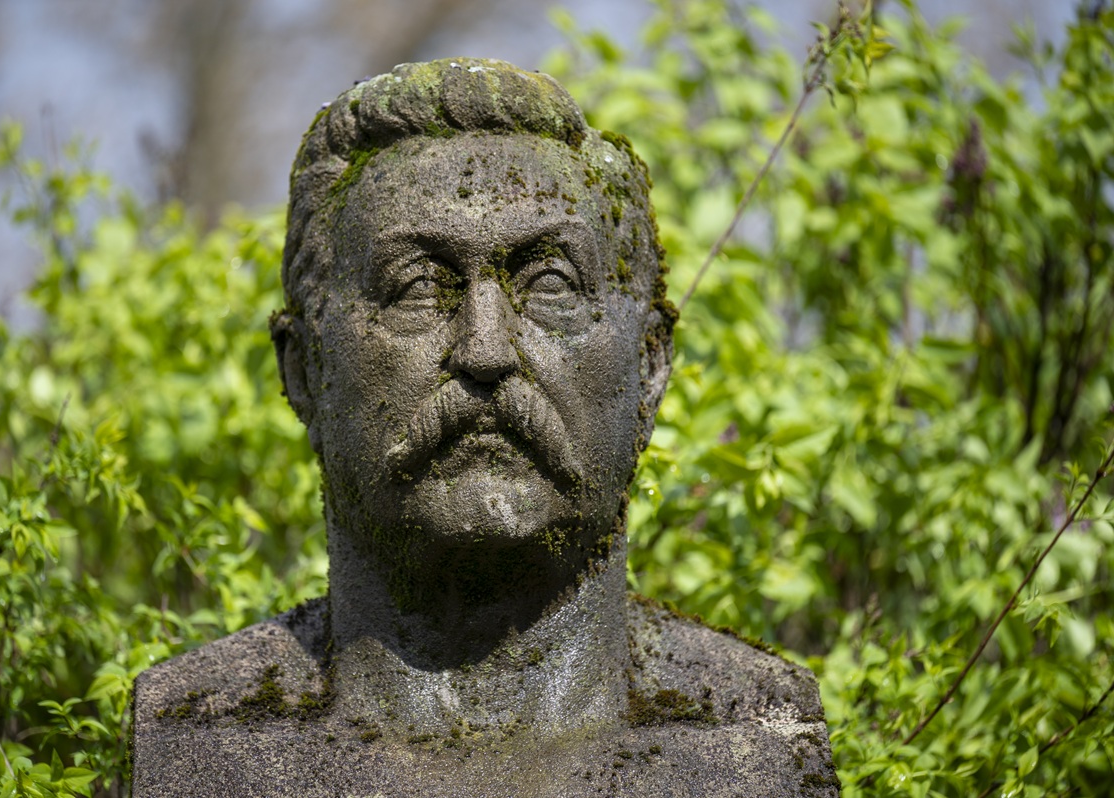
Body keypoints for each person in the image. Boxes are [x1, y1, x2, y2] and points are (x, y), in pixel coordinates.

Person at [133, 57, 838, 797]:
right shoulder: (196, 741)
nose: (485, 349)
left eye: (552, 285)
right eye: (415, 288)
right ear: (305, 368)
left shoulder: (759, 744)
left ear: (650, 369)